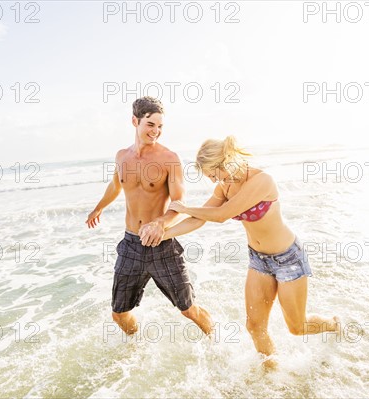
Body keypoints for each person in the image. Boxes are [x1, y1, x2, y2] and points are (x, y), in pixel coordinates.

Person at [146, 135, 339, 363]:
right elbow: (200, 219)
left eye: (213, 174)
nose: (213, 181)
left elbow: (221, 215)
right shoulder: (225, 186)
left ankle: (334, 324)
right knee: (255, 326)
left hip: (289, 259)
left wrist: (186, 208)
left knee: (297, 327)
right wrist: (162, 235)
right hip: (259, 260)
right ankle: (271, 371)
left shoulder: (262, 180)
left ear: (223, 162)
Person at [85, 96, 213, 337]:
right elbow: (116, 185)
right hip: (131, 244)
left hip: (161, 244)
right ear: (135, 121)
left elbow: (178, 203)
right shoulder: (122, 156)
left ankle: (216, 339)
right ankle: (136, 347)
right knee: (119, 313)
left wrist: (160, 223)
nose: (156, 131)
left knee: (188, 309)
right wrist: (98, 208)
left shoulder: (169, 159)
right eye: (150, 124)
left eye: (160, 126)